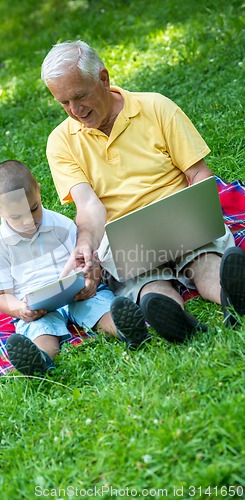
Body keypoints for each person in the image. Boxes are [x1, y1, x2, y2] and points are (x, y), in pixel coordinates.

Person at [41, 40, 245, 343]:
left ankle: (234, 300)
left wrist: (202, 211)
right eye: (64, 103)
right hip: (126, 239)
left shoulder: (155, 107)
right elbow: (87, 206)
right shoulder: (60, 142)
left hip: (179, 216)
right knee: (149, 285)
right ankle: (177, 321)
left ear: (104, 78)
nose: (75, 110)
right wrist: (86, 245)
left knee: (206, 263)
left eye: (80, 96)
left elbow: (198, 172)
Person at [0, 160, 149, 376]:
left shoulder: (60, 226)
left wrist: (91, 281)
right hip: (37, 306)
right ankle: (40, 359)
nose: (28, 221)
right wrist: (20, 310)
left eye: (34, 209)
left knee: (99, 306)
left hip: (75, 292)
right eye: (16, 217)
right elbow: (1, 296)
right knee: (41, 330)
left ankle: (127, 330)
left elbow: (87, 258)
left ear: (39, 191)